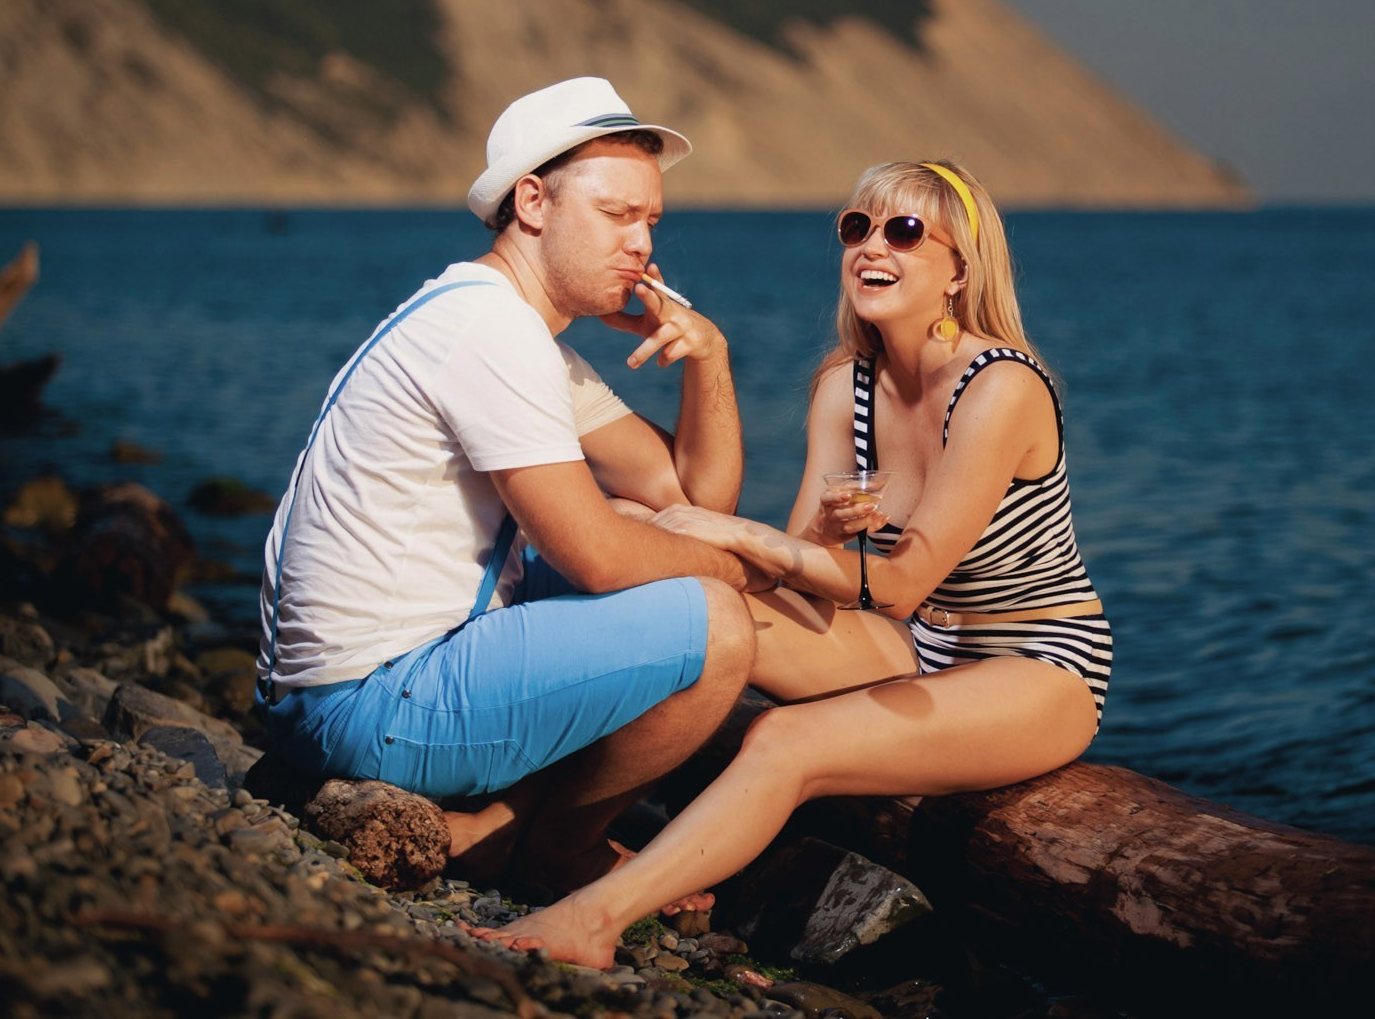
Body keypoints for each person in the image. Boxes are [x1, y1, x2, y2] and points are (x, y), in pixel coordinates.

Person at [472, 159, 1113, 967]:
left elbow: (900, 582)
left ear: (960, 270)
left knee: (784, 738)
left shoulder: (1002, 387)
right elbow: (804, 567)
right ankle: (537, 826)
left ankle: (593, 920)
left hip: (1037, 661)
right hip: (915, 644)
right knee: (675, 585)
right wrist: (811, 534)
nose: (872, 246)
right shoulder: (846, 383)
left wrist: (734, 530)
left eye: (903, 231)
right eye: (857, 227)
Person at [255, 75, 759, 898]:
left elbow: (689, 495)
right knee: (722, 624)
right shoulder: (492, 333)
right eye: (616, 213)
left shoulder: (513, 330)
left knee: (647, 520)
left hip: (323, 696)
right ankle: (556, 850)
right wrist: (743, 569)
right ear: (532, 202)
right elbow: (598, 558)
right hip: (361, 705)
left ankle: (497, 824)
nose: (641, 243)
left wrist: (711, 357)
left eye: (650, 220)